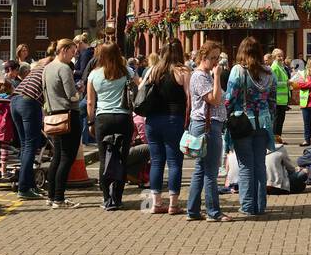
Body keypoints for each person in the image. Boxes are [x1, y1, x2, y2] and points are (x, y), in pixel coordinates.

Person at [225, 36, 276, 216]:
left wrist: (225, 117)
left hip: (243, 122)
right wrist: (271, 121)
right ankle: (260, 205)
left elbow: (230, 98)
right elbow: (272, 101)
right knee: (259, 165)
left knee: (246, 165)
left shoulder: (238, 71)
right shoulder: (269, 73)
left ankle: (247, 206)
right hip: (263, 122)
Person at [87, 40, 136, 211]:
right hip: (123, 118)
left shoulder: (94, 75)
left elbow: (90, 102)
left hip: (103, 119)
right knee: (121, 159)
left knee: (103, 159)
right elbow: (141, 84)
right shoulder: (127, 71)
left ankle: (106, 198)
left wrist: (90, 121)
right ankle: (118, 198)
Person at [187, 41, 232, 221]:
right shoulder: (200, 76)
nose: (216, 62)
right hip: (207, 125)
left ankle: (193, 210)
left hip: (209, 124)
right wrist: (217, 77)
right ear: (203, 57)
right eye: (212, 58)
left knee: (201, 168)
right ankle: (213, 212)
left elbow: (222, 97)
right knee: (211, 170)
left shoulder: (205, 75)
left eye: (218, 58)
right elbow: (214, 99)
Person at [144, 39, 190, 215]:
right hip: (174, 119)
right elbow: (189, 99)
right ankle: (173, 204)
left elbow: (141, 89)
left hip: (153, 120)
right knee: (174, 162)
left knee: (156, 161)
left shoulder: (153, 70)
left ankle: (156, 203)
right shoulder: (183, 71)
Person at [42, 38, 84, 209]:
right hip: (68, 115)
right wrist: (79, 92)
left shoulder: (47, 68)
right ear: (64, 50)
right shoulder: (64, 68)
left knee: (57, 157)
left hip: (52, 116)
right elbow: (71, 95)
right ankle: (59, 198)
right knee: (67, 158)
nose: (74, 56)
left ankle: (52, 196)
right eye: (73, 52)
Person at [11, 45, 54, 198]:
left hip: (15, 100)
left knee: (25, 146)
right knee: (31, 145)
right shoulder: (52, 70)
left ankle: (28, 184)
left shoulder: (38, 68)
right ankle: (23, 188)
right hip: (29, 102)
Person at [269, 49, 293, 141]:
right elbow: (273, 83)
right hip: (277, 99)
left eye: (282, 55)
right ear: (274, 57)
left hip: (282, 99)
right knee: (277, 121)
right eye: (279, 56)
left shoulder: (281, 66)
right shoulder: (274, 67)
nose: (281, 58)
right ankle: (275, 140)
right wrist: (286, 83)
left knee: (280, 121)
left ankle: (278, 138)